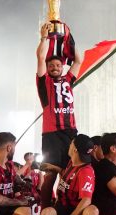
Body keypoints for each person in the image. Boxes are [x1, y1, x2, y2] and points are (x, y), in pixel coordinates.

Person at [36, 21, 84, 166]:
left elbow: (78, 61)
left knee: (71, 167)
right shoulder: (44, 81)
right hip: (52, 133)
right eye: (51, 66)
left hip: (70, 130)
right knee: (51, 171)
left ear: (62, 67)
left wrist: (68, 36)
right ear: (47, 68)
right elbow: (41, 57)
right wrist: (44, 38)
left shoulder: (68, 79)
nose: (55, 68)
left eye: (58, 65)